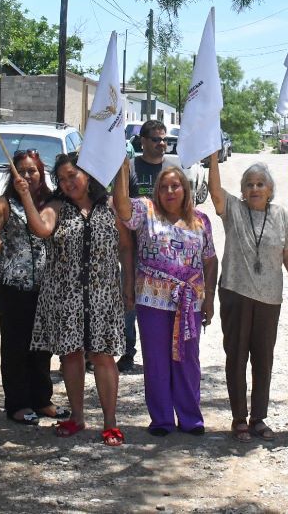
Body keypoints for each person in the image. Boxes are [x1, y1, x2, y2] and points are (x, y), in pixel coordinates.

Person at [30, 152, 129, 444]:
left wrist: (129, 283)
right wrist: (26, 197)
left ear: (87, 174)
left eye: (72, 175)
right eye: (61, 178)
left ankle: (110, 422)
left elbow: (125, 247)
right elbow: (42, 229)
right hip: (65, 295)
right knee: (71, 355)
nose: (68, 182)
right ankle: (77, 417)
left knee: (103, 356)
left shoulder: (110, 207)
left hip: (104, 295)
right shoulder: (56, 208)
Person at [117, 163, 217, 436]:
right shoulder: (146, 211)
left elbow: (210, 260)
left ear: (186, 189)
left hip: (189, 302)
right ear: (157, 191)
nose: (169, 191)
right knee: (157, 360)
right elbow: (122, 206)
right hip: (151, 300)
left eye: (175, 186)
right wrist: (123, 169)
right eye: (163, 186)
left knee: (187, 360)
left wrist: (209, 298)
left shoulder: (201, 221)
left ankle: (190, 418)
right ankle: (161, 419)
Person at [207, 154, 288, 442]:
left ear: (270, 189)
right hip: (235, 292)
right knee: (236, 357)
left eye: (261, 184)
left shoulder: (281, 215)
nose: (255, 189)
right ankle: (239, 419)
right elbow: (214, 192)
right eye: (249, 184)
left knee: (264, 359)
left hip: (269, 297)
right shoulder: (234, 208)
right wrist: (213, 158)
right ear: (243, 189)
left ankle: (259, 418)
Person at [0, 149, 58, 424]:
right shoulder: (5, 204)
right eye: (22, 170)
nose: (28, 175)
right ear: (13, 175)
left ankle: (42, 399)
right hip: (14, 287)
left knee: (42, 346)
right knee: (16, 346)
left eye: (33, 170)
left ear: (42, 173)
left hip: (46, 286)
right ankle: (18, 403)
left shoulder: (52, 203)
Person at [120, 118, 174, 372]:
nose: (162, 144)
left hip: (165, 252)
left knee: (161, 303)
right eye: (156, 139)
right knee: (129, 298)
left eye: (164, 139)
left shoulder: (172, 169)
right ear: (142, 141)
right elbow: (119, 204)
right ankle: (128, 352)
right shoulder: (130, 168)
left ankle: (160, 352)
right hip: (133, 247)